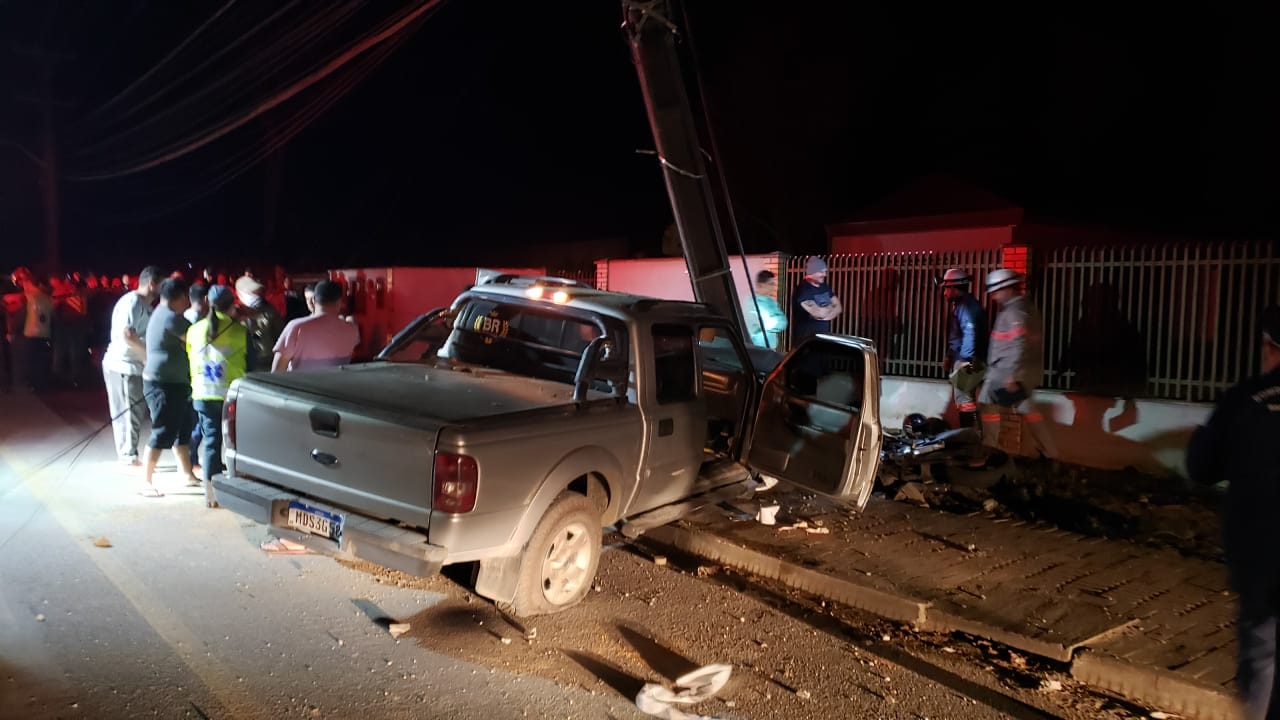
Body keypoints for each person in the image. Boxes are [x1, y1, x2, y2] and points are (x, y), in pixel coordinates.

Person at [1187, 306, 1280, 720]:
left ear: (1268, 347)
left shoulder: (1244, 399)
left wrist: (1199, 437)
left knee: (1261, 652)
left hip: (1260, 551)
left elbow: (1202, 468)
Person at [976, 269, 1056, 460]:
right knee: (1030, 412)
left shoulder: (1014, 312)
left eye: (996, 291)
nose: (994, 296)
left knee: (987, 407)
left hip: (1005, 373)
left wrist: (1011, 375)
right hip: (1020, 372)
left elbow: (1019, 345)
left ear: (1008, 288)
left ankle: (990, 450)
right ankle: (1049, 452)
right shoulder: (1026, 307)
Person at [140, 278, 200, 496]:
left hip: (174, 382)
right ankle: (146, 482)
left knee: (181, 429)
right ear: (181, 296)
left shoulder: (160, 312)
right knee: (163, 429)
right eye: (186, 297)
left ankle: (186, 474)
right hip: (163, 384)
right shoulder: (172, 318)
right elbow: (197, 338)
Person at [187, 285, 247, 491]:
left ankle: (210, 492)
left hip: (202, 394)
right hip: (231, 396)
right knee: (238, 441)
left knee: (211, 442)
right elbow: (251, 363)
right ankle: (241, 484)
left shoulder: (194, 330)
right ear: (232, 305)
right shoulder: (240, 331)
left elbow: (190, 358)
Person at [103, 266, 163, 467]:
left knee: (134, 412)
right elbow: (128, 335)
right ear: (152, 283)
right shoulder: (133, 302)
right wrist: (147, 356)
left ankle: (129, 454)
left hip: (133, 366)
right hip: (123, 366)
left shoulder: (146, 306)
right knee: (128, 413)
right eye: (161, 285)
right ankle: (128, 457)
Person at [271, 280, 360, 372]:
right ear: (340, 302)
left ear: (314, 300)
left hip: (301, 385)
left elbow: (278, 369)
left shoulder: (296, 327)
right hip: (335, 385)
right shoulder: (352, 329)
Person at [938, 268, 988, 429]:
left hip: (967, 360)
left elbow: (970, 332)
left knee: (965, 402)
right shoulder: (963, 305)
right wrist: (949, 356)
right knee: (964, 401)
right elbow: (957, 336)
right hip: (964, 357)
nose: (944, 292)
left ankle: (971, 439)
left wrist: (964, 360)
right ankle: (970, 437)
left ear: (953, 288)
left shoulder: (965, 307)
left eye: (946, 288)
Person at [235, 274, 284, 372]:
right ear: (240, 294)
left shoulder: (269, 311)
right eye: (252, 293)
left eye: (258, 293)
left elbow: (281, 336)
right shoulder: (234, 314)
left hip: (266, 362)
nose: (256, 296)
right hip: (242, 363)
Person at [791, 257, 842, 345]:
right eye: (821, 272)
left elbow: (839, 308)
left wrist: (825, 313)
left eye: (825, 271)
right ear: (812, 272)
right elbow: (819, 314)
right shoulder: (803, 290)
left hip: (822, 340)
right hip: (806, 343)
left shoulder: (824, 287)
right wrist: (831, 307)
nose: (825, 275)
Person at [743, 270, 787, 350]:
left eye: (774, 284)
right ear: (761, 285)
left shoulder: (772, 302)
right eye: (771, 284)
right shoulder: (751, 302)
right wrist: (774, 321)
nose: (773, 287)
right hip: (756, 348)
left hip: (772, 348)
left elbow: (783, 322)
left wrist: (771, 321)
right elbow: (760, 324)